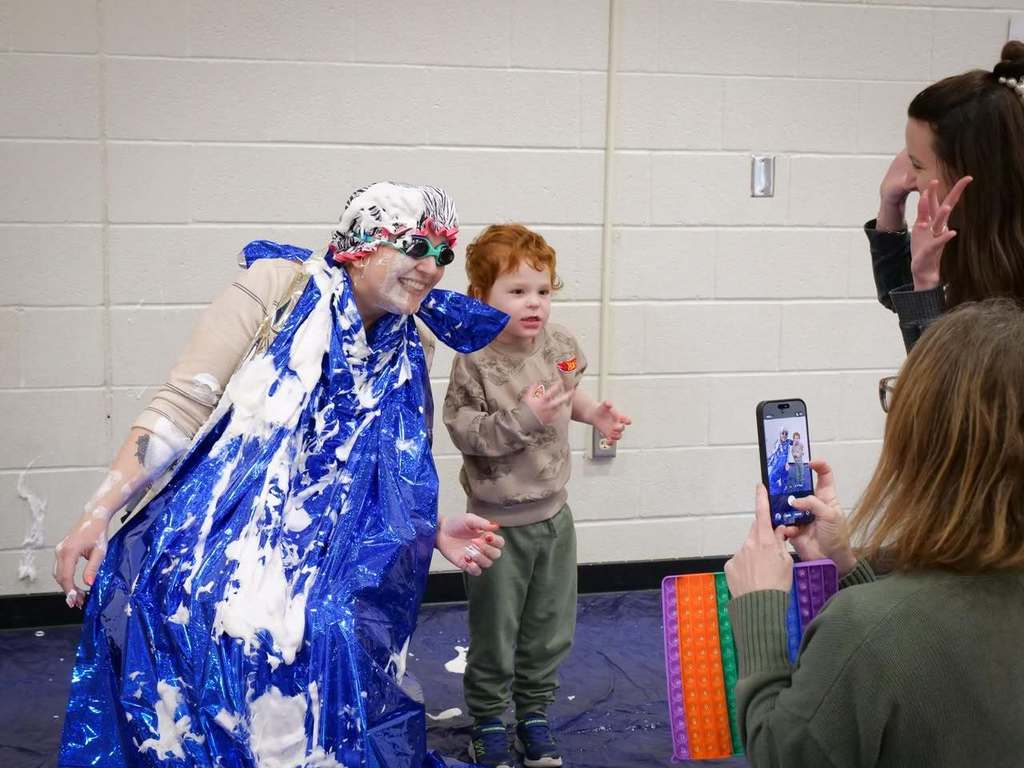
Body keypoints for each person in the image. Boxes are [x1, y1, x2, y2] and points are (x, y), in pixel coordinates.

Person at [54, 182, 509, 768]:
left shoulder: (411, 337)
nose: (431, 268)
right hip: (225, 520)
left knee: (331, 630)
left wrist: (431, 528)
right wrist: (98, 513)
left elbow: (389, 462)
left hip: (337, 540)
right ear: (359, 247)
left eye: (442, 254)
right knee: (173, 602)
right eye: (416, 246)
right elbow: (180, 406)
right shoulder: (276, 288)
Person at [724, 299, 1024, 767]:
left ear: (924, 438)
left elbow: (784, 755)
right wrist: (849, 568)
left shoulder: (861, 629)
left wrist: (758, 608)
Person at [442, 224, 631, 768]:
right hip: (497, 525)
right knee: (495, 632)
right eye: (518, 291)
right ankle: (488, 719)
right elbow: (467, 433)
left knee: (549, 628)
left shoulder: (561, 346)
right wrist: (524, 417)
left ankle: (533, 713)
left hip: (554, 517)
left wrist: (594, 414)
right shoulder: (474, 360)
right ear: (481, 297)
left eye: (543, 291)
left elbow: (569, 394)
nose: (534, 303)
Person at [867, 41, 1024, 352]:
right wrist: (890, 205)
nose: (909, 179)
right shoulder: (975, 230)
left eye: (917, 165)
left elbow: (946, 377)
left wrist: (926, 282)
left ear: (970, 171)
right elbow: (901, 299)